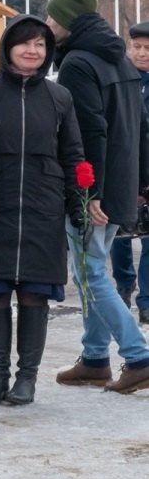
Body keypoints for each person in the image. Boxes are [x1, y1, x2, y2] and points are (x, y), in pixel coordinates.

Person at [0, 15, 83, 406]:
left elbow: (73, 155)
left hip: (42, 209)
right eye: (25, 43)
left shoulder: (60, 98)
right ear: (8, 48)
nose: (32, 50)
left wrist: (77, 203)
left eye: (40, 44)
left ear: (48, 51)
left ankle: (27, 378)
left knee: (34, 295)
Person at [45, 0, 149, 394]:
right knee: (94, 270)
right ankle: (93, 357)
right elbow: (140, 128)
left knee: (89, 275)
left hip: (94, 190)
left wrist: (91, 193)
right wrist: (141, 182)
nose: (48, 25)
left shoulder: (76, 64)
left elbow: (90, 133)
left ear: (69, 22)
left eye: (53, 19)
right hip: (119, 184)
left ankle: (138, 356)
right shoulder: (119, 60)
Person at [109, 22, 149, 321]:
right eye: (137, 47)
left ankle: (147, 300)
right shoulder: (119, 79)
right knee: (119, 238)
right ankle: (124, 286)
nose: (142, 53)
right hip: (123, 169)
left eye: (148, 49)